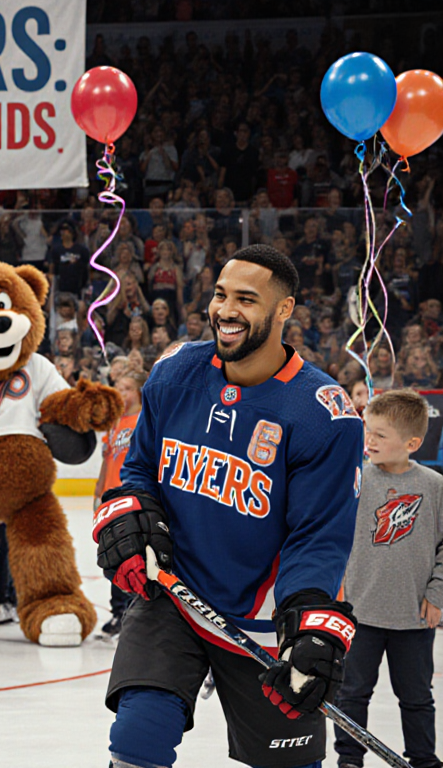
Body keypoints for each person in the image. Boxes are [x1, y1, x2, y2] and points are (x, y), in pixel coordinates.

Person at [95, 244, 364, 768]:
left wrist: (308, 621)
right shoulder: (176, 371)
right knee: (137, 736)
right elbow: (139, 468)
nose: (225, 310)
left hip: (260, 623)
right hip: (173, 591)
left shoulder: (322, 415)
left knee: (288, 760)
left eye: (246, 298)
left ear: (284, 310)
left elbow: (318, 535)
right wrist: (131, 511)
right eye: (220, 295)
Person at [335, 390, 442, 768]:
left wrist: (437, 593)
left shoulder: (433, 486)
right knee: (351, 694)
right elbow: (332, 536)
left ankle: (424, 759)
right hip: (358, 614)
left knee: (416, 697)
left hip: (412, 617)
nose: (370, 441)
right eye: (368, 431)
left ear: (412, 443)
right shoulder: (355, 480)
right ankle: (349, 759)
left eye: (380, 434)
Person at [92, 369, 146, 638]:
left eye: (126, 388)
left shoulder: (143, 420)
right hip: (111, 498)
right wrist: (98, 490)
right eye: (117, 388)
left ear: (138, 391)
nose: (120, 393)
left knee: (131, 555)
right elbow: (107, 458)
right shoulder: (115, 422)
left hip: (131, 498)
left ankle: (130, 613)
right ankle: (117, 612)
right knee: (112, 556)